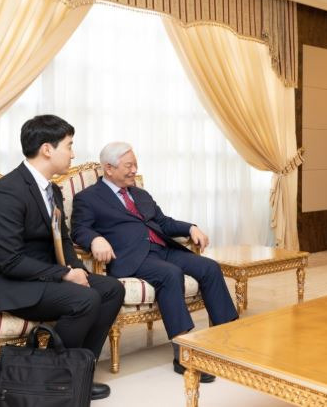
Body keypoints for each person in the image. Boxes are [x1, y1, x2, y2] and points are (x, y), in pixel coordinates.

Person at [0, 115, 124, 400]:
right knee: (84, 300)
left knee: (112, 288)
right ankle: (49, 380)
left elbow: (62, 239)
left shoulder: (52, 190)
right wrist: (64, 275)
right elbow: (9, 261)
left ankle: (76, 373)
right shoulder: (8, 192)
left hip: (39, 275)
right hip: (3, 281)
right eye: (69, 145)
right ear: (47, 149)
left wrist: (78, 272)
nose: (73, 153)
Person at [71, 142, 238, 383]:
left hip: (162, 248)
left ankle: (229, 339)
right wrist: (95, 239)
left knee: (209, 267)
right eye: (129, 165)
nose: (134, 170)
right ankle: (184, 354)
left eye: (135, 164)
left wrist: (190, 227)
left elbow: (163, 222)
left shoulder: (140, 193)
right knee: (170, 274)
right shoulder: (88, 198)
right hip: (131, 257)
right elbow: (79, 230)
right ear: (109, 168)